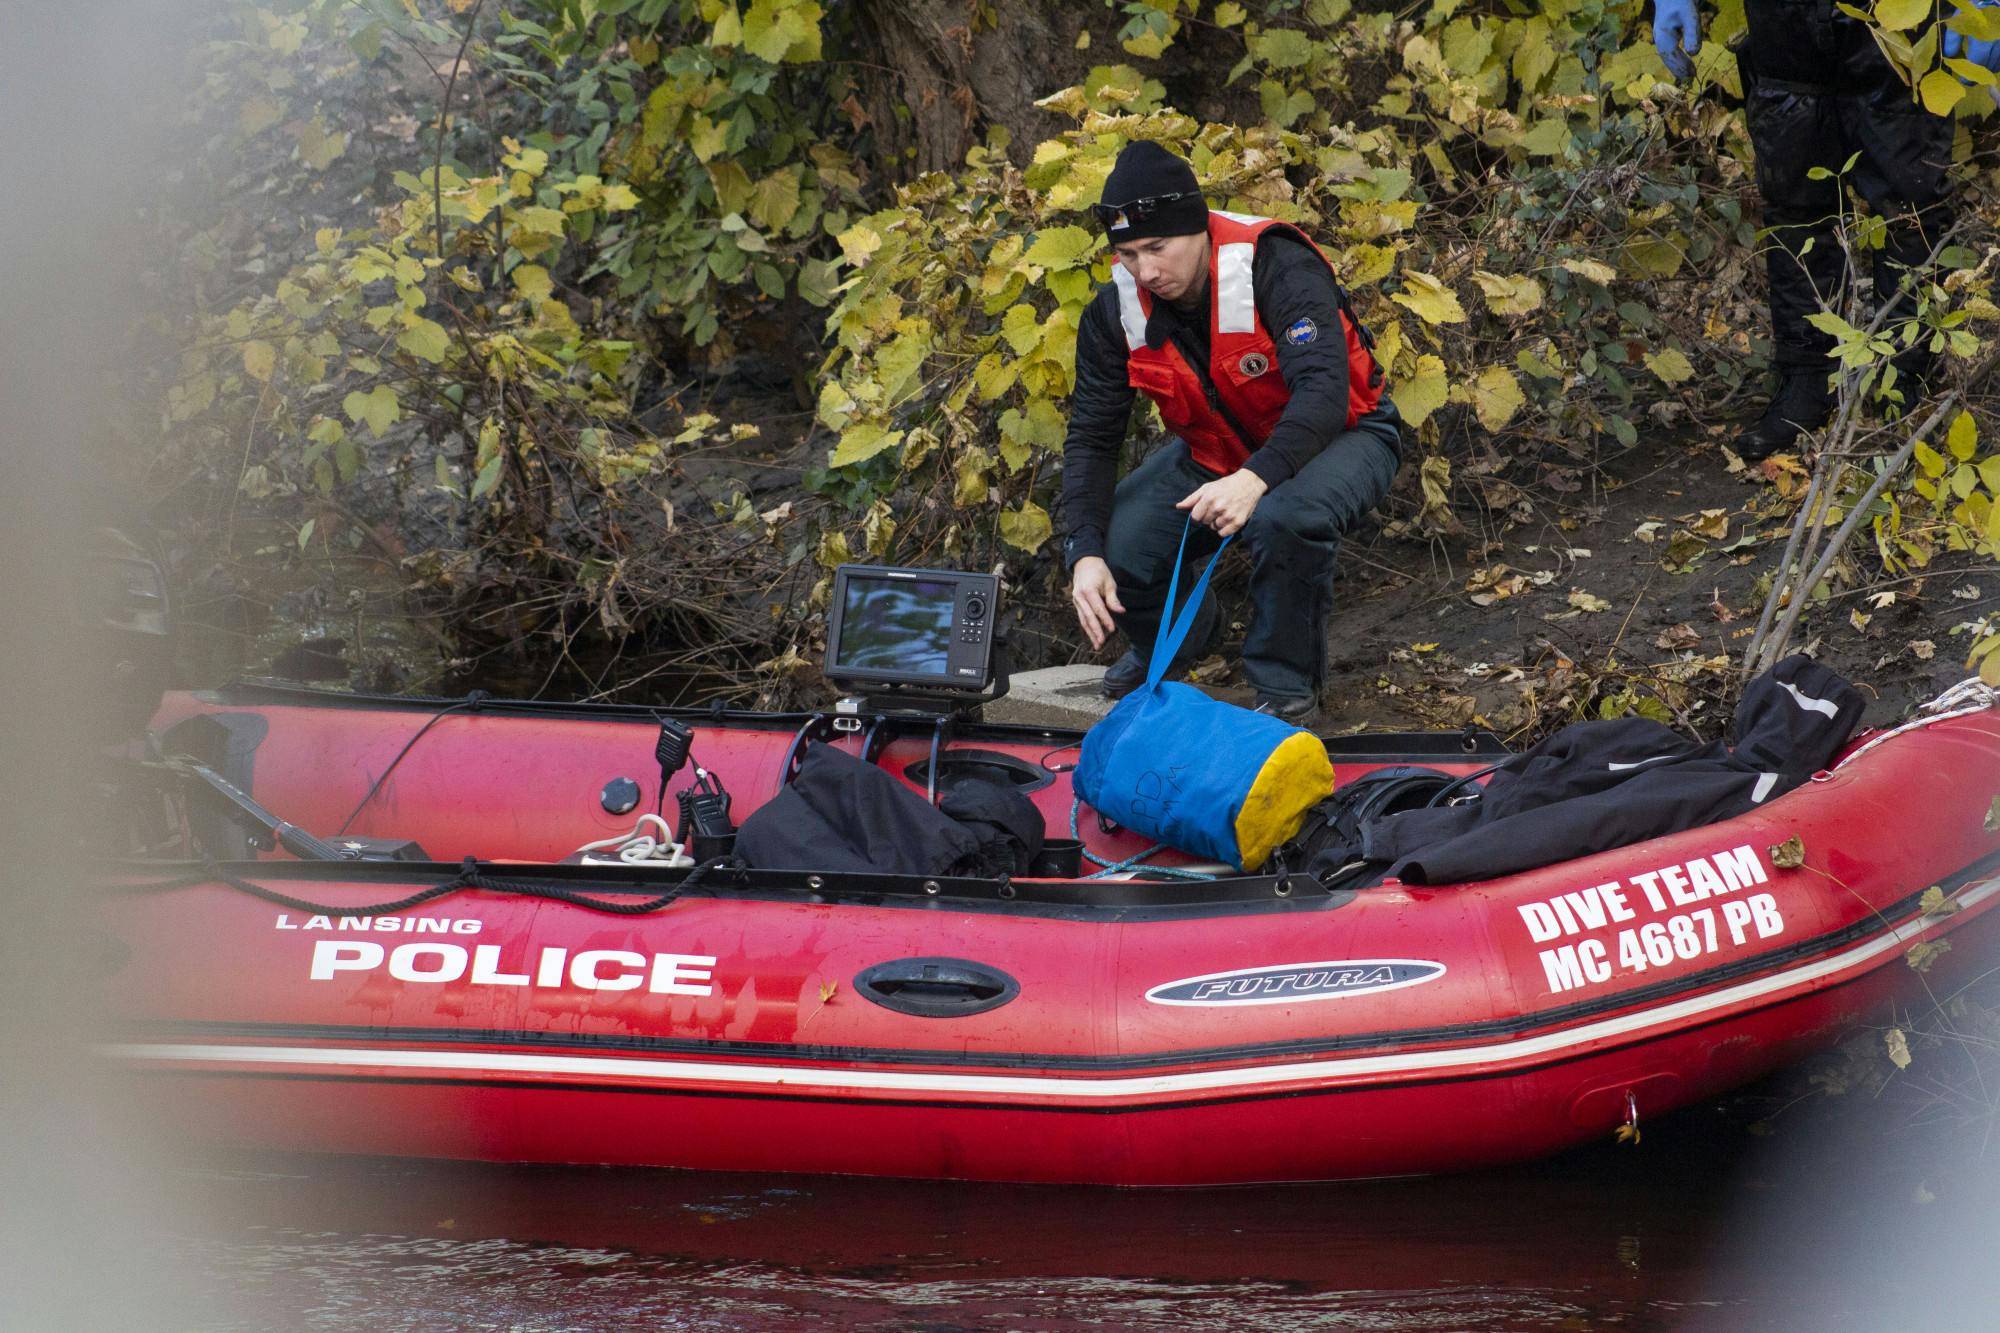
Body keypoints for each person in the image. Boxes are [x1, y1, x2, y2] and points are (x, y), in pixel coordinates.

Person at [1056, 141, 1403, 728]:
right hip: (1217, 452)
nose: (1146, 271)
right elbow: (1092, 436)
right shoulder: (1113, 312)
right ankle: (1183, 641)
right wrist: (1083, 550)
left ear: (1197, 228)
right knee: (1115, 542)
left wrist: (1256, 479)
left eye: (1158, 248)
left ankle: (1285, 686)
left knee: (1283, 516)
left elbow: (1323, 393)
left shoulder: (1275, 264)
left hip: (1345, 433)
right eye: (1129, 254)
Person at [1653, 0, 1998, 459]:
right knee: (1795, 197)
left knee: (1909, 204)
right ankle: (1807, 381)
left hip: (1898, 17)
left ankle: (1909, 385)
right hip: (1786, 22)